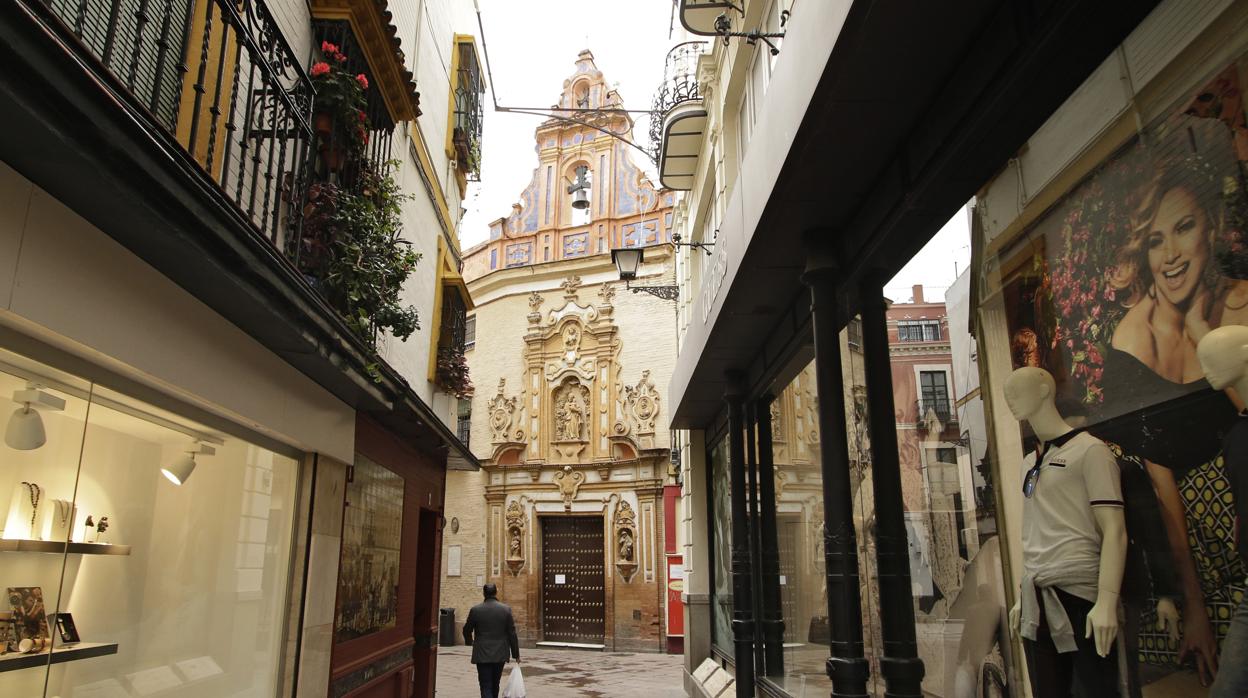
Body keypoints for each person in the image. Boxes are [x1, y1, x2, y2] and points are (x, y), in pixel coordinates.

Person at [463, 584, 520, 698]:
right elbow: (512, 634)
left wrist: (470, 641)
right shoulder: (505, 609)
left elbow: (466, 630)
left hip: (482, 653)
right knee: (495, 683)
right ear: (496, 592)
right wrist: (516, 654)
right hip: (500, 653)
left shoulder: (475, 610)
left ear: (484, 593)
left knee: (485, 684)